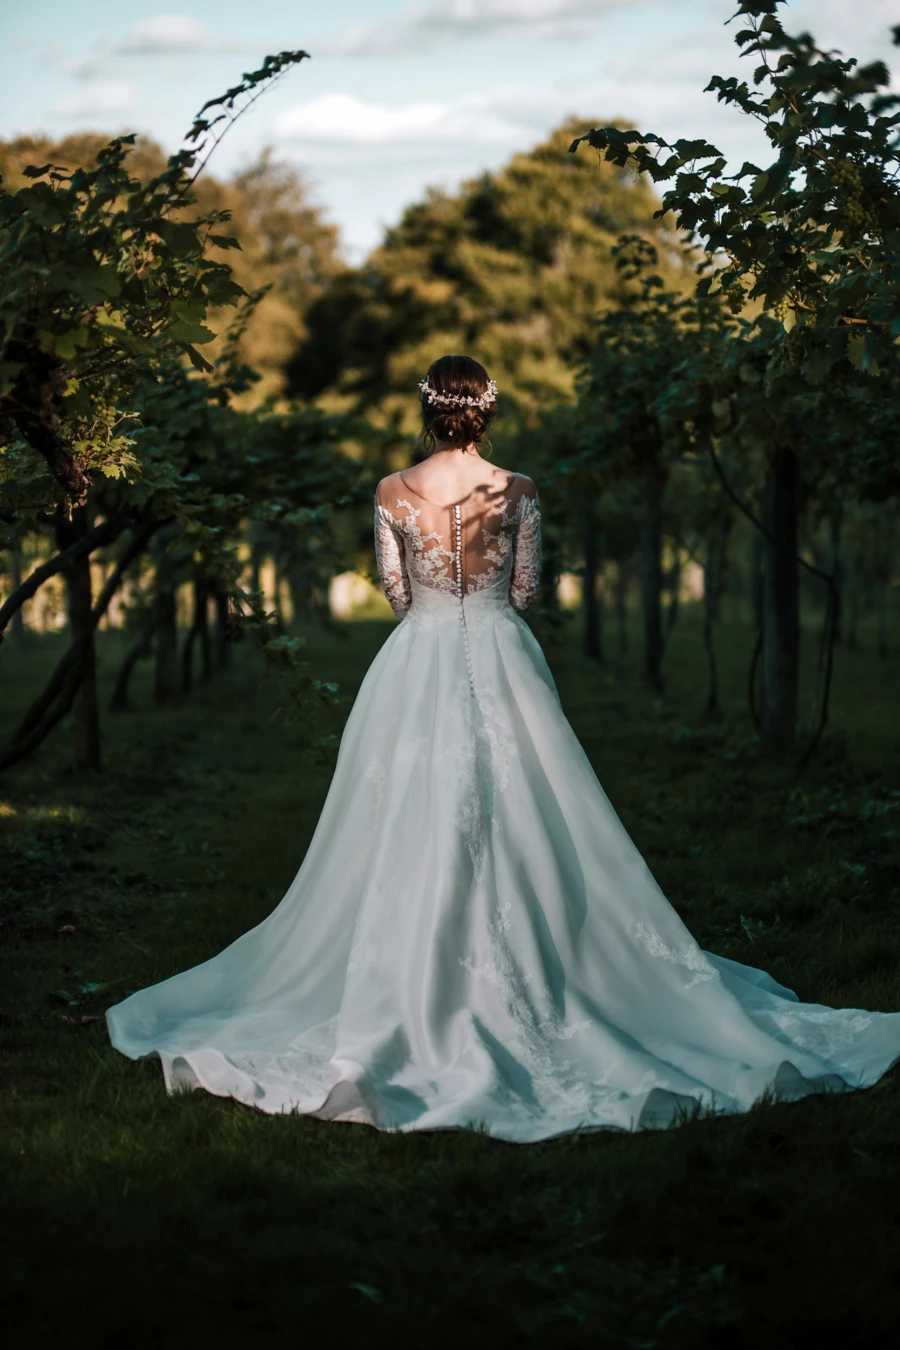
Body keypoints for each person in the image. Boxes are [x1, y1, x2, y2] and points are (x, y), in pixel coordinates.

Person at [107, 354, 900, 1142]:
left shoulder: (391, 491)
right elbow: (523, 592)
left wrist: (432, 599)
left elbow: (394, 590)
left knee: (402, 811)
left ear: (428, 408)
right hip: (500, 650)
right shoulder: (517, 491)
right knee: (531, 802)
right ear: (486, 410)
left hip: (414, 660)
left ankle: (415, 965)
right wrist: (483, 599)